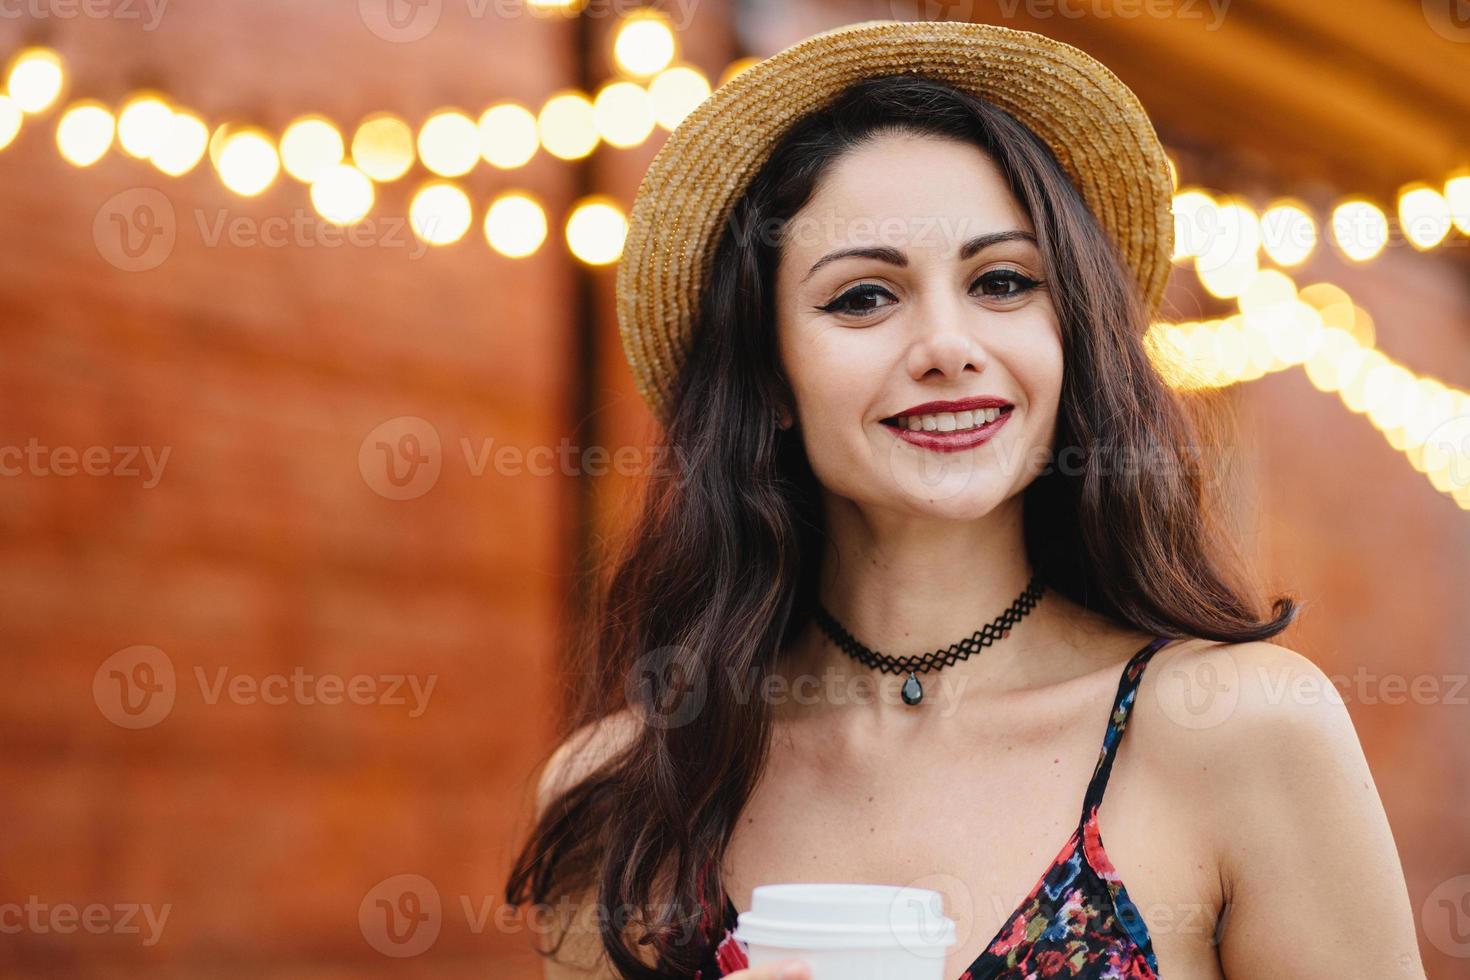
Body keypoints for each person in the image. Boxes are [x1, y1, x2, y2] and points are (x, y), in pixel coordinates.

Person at [505, 19, 1426, 980]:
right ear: (769, 378)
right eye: (862, 297)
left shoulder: (1241, 730)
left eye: (1002, 281)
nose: (948, 344)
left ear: (1067, 339)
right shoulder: (628, 793)